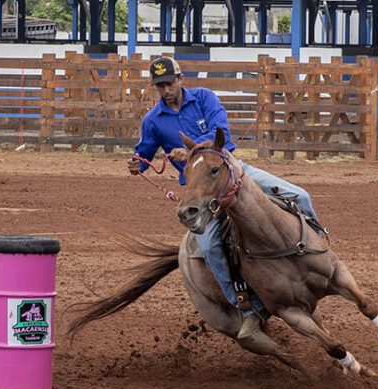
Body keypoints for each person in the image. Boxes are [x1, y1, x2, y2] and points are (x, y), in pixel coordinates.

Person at [128, 56, 320, 339]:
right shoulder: (154, 120)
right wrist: (137, 163)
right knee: (210, 246)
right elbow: (143, 152)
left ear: (180, 80)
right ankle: (244, 307)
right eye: (160, 86)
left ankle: (318, 255)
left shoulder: (205, 98)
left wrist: (192, 151)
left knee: (300, 196)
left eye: (169, 83)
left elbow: (223, 134)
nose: (165, 90)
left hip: (233, 174)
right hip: (202, 193)